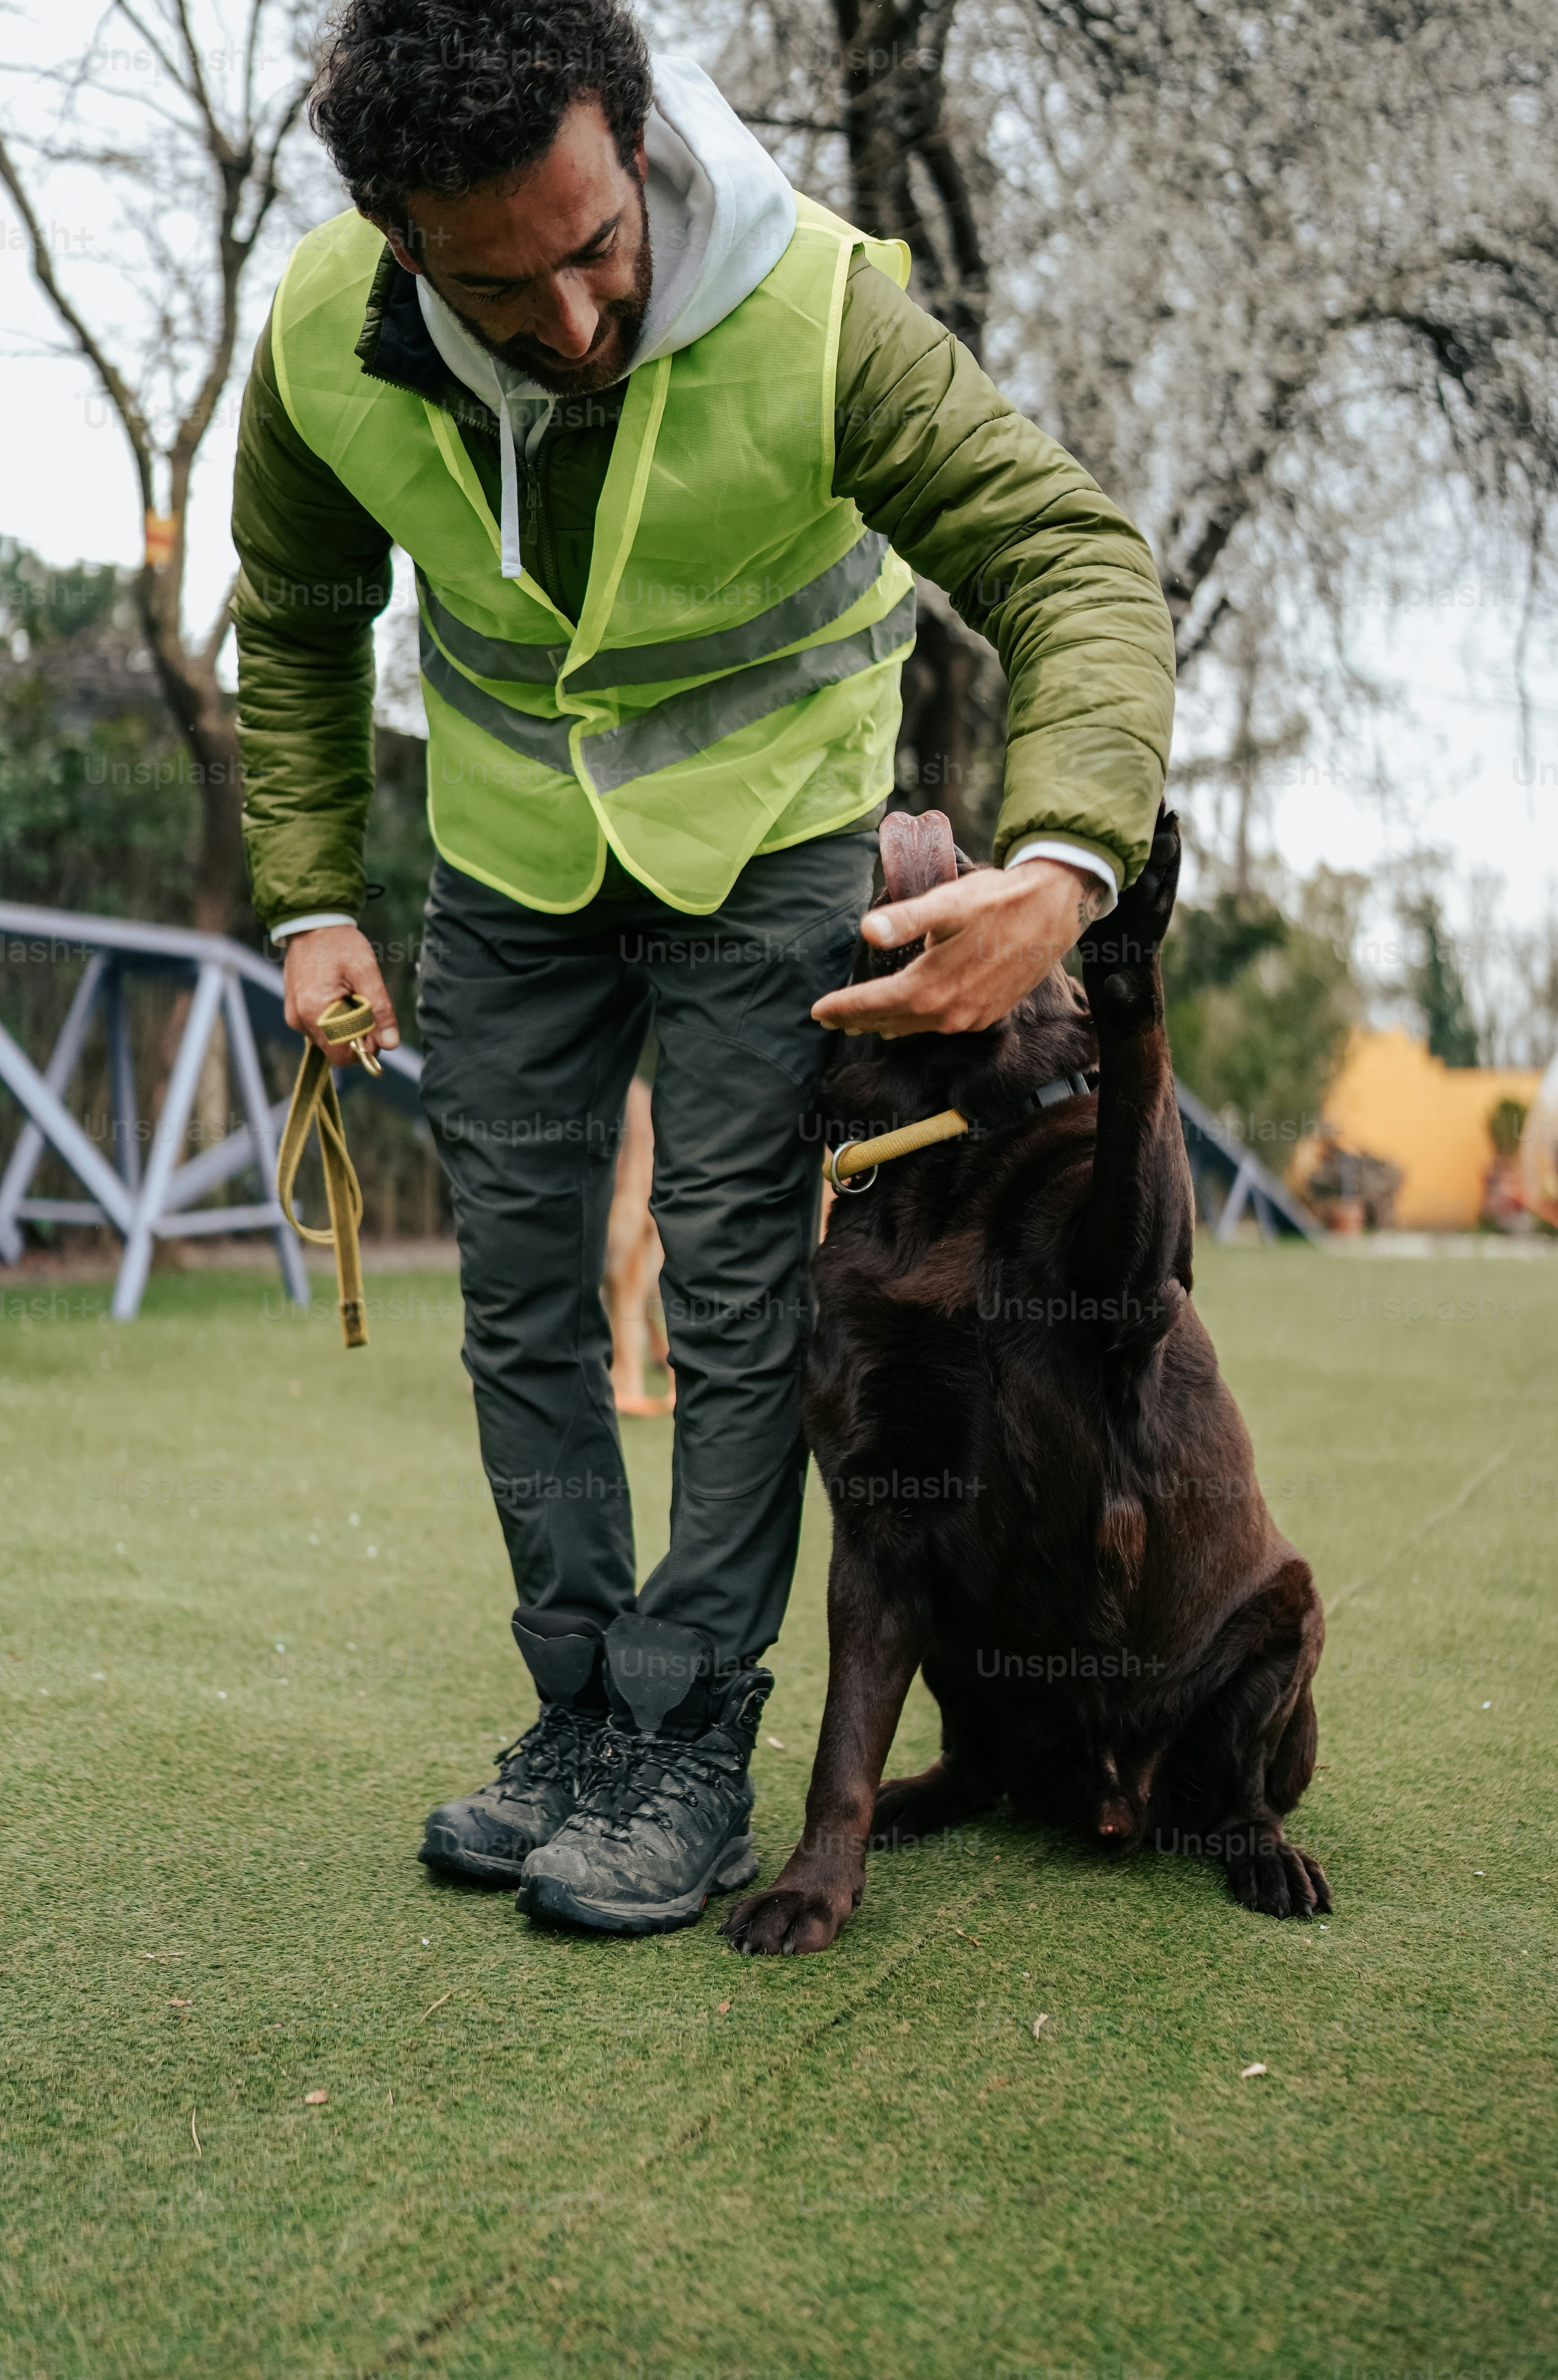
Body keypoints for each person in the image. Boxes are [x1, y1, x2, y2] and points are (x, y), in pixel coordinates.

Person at [232, 0, 1176, 1936]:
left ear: (638, 139)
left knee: (738, 1286)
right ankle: (574, 1716)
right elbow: (302, 621)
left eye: (598, 248)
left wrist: (1063, 862)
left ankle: (683, 1741)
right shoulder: (325, 342)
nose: (574, 318)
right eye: (502, 286)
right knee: (517, 1289)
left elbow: (1071, 561)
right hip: (507, 853)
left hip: (771, 839)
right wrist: (309, 892)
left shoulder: (820, 312)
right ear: (405, 245)